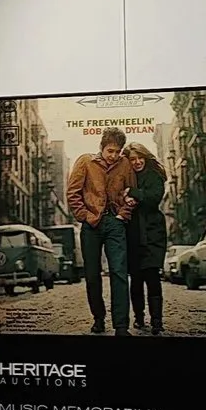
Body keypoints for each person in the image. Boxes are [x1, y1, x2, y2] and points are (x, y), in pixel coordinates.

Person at [66, 127, 135, 336]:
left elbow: (131, 193)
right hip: (91, 225)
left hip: (115, 224)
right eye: (110, 151)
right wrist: (85, 216)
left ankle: (121, 326)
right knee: (92, 274)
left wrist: (123, 214)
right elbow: (72, 193)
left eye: (117, 151)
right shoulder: (85, 162)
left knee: (119, 272)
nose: (113, 156)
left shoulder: (124, 165)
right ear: (102, 147)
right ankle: (98, 318)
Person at [124, 141, 168, 335]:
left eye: (140, 158)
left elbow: (153, 198)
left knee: (152, 277)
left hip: (152, 234)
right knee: (135, 279)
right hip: (132, 233)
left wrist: (133, 193)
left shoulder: (154, 175)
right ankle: (139, 318)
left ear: (145, 157)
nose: (137, 162)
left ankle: (157, 321)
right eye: (132, 159)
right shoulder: (126, 176)